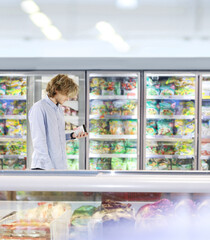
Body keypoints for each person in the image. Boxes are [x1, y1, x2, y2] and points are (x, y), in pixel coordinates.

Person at [29, 74, 88, 170]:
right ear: (56, 89)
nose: (67, 98)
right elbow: (39, 142)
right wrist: (49, 168)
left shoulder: (59, 109)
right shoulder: (39, 108)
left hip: (58, 167)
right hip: (44, 168)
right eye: (66, 94)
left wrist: (72, 135)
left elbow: (53, 138)